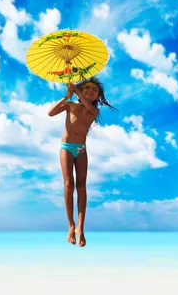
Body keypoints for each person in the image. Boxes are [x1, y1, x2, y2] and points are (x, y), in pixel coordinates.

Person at [47, 77, 116, 247]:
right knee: (68, 184)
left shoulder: (93, 111)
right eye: (86, 88)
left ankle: (81, 227)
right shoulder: (71, 105)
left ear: (97, 97)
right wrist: (66, 95)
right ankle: (70, 226)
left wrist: (76, 91)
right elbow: (50, 112)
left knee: (82, 186)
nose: (90, 91)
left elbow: (89, 107)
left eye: (94, 90)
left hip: (81, 150)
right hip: (66, 147)